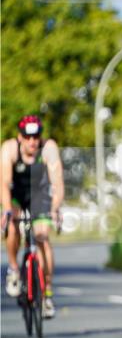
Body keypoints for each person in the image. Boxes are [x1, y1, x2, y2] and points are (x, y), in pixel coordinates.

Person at [2, 115, 64, 318]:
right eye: (27, 137)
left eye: (36, 136)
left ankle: (46, 293)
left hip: (40, 195)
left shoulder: (49, 148)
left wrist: (55, 208)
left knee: (42, 236)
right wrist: (7, 209)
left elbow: (57, 183)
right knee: (12, 226)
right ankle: (13, 269)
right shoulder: (9, 149)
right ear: (20, 137)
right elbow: (3, 183)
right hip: (17, 195)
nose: (32, 141)